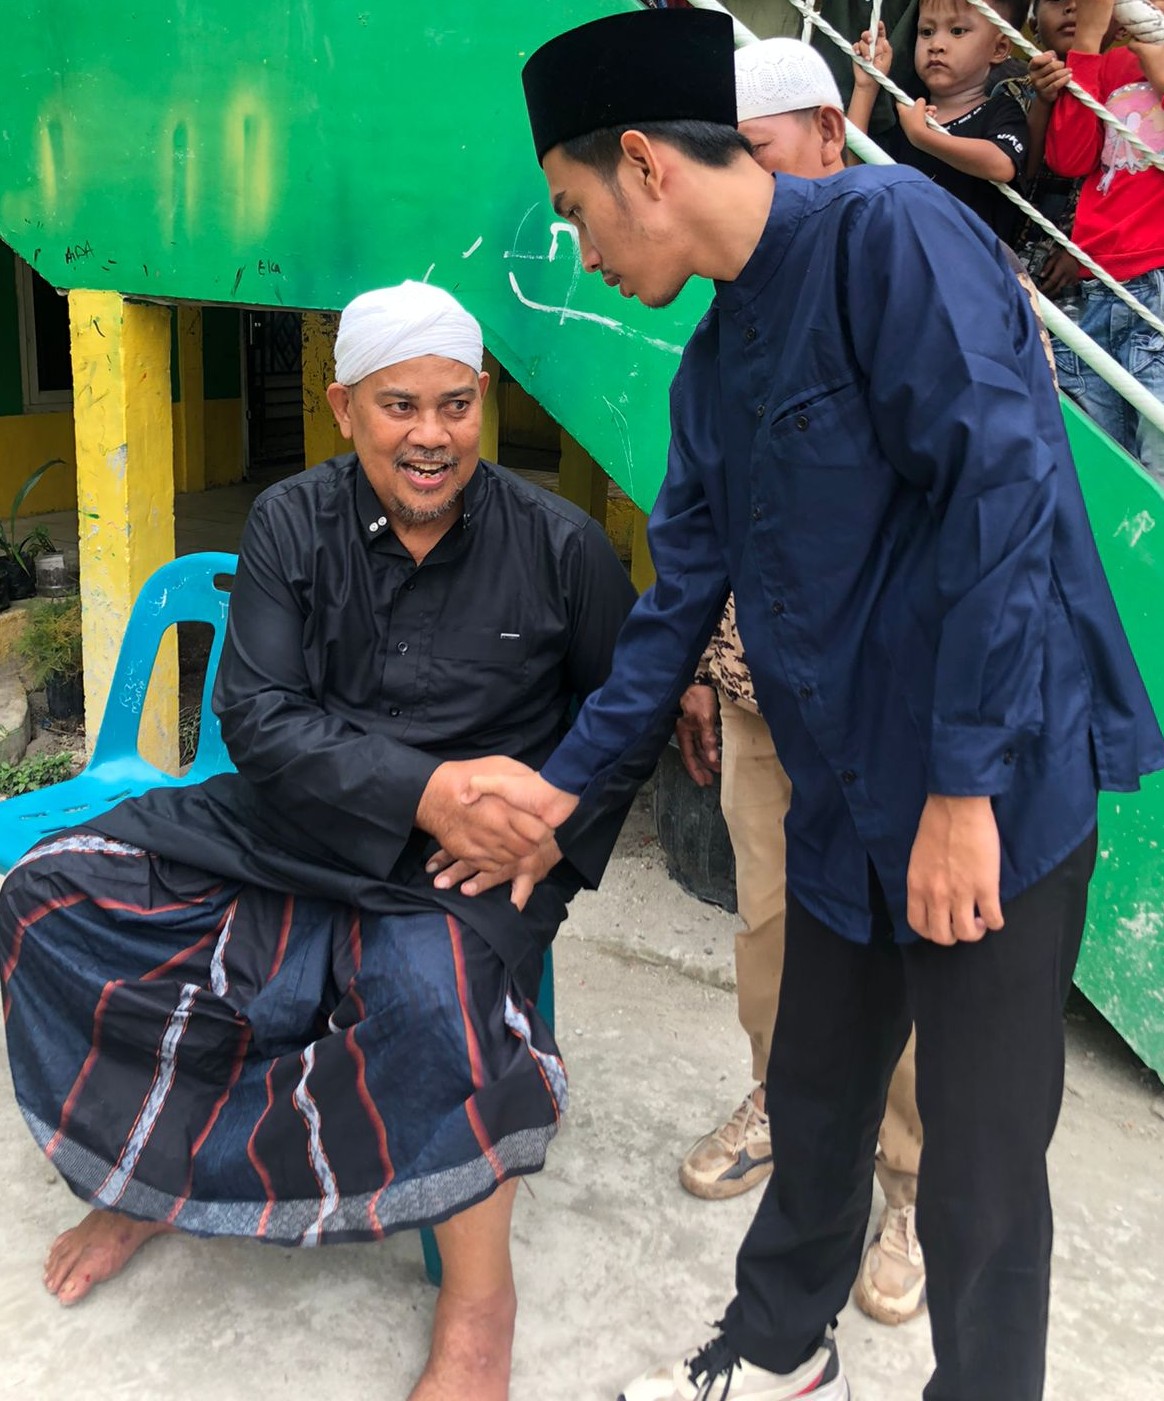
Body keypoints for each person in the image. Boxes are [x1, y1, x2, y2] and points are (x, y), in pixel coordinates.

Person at [430, 8, 1163, 1398]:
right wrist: (560, 790)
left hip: (988, 796)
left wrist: (961, 796)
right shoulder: (712, 368)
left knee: (979, 1174)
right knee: (815, 1110)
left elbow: (1003, 509)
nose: (579, 245)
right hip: (844, 804)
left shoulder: (888, 235)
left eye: (577, 209)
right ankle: (777, 1356)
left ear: (646, 163)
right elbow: (676, 603)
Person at [0, 282, 638, 1401]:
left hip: (463, 866)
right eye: (399, 406)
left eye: (453, 404)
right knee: (50, 894)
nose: (430, 436)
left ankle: (479, 1302)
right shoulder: (291, 521)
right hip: (289, 824)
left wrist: (556, 840)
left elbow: (618, 718)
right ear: (343, 407)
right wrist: (428, 785)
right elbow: (258, 718)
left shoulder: (563, 546)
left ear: (481, 400)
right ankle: (152, 1181)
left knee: (436, 1004)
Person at [676, 36, 927, 1331]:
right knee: (771, 938)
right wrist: (708, 672)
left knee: (905, 961)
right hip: (767, 701)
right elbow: (722, 527)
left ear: (829, 134)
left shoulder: (910, 271)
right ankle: (783, 1102)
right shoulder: (732, 323)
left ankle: (907, 1186)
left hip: (892, 729)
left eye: (754, 155)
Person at [1042, 0, 1164, 482]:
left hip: (1157, 280)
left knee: (1157, 455)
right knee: (1107, 465)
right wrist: (1087, 48)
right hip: (1099, 286)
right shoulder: (1109, 63)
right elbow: (1069, 159)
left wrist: (1151, 43)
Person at [848, 0, 1030, 244]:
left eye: (957, 31)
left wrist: (924, 138)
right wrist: (865, 87)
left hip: (970, 270)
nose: (936, 45)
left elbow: (1001, 164)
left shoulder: (1000, 109)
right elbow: (854, 174)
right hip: (904, 259)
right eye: (926, 32)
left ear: (999, 49)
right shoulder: (906, 112)